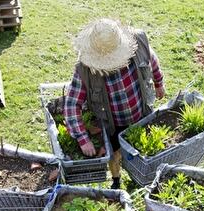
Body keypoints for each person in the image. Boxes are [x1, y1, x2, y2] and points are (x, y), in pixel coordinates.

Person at [63, 18, 166, 189]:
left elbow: (152, 61)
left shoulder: (138, 42)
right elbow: (72, 104)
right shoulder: (85, 69)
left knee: (140, 148)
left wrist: (159, 83)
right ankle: (116, 180)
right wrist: (83, 138)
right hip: (112, 122)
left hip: (140, 112)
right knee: (113, 152)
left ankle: (140, 177)